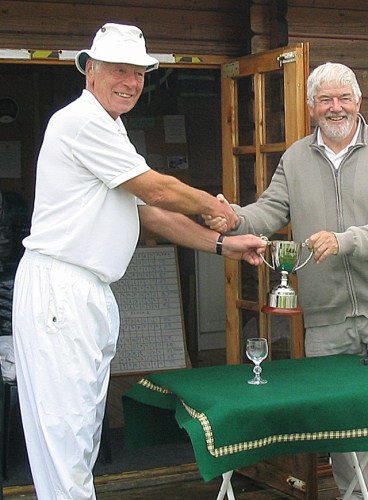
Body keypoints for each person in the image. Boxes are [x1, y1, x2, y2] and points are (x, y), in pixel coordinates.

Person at [12, 22, 266, 500]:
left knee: (82, 433)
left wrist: (223, 245)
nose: (130, 82)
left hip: (86, 290)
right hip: (60, 288)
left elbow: (151, 213)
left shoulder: (111, 127)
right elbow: (158, 189)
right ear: (89, 71)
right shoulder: (80, 121)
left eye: (139, 73)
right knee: (65, 436)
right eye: (119, 70)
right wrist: (218, 210)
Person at [206, 62, 368, 499]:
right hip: (327, 318)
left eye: (343, 98)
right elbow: (269, 211)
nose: (335, 107)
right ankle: (360, 496)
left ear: (358, 102)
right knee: (344, 427)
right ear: (311, 108)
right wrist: (232, 218)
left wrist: (346, 241)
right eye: (325, 100)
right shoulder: (295, 157)